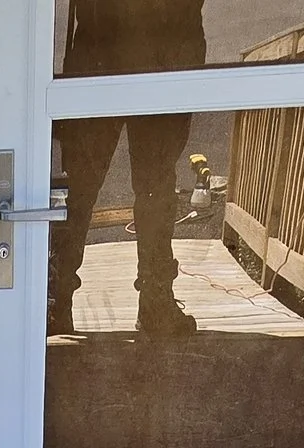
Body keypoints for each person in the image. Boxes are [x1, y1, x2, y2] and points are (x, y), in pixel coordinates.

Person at [47, 0, 206, 338]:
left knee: (139, 185)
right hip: (125, 46)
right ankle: (58, 300)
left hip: (151, 47)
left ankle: (59, 300)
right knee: (90, 187)